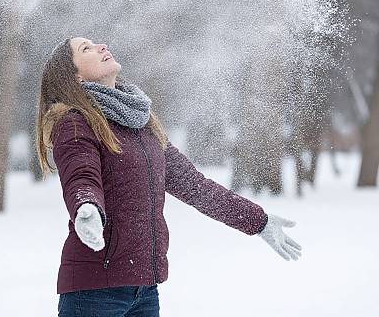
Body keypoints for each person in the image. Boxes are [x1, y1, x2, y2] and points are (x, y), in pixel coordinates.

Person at [37, 37, 302, 317]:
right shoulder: (75, 122)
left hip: (145, 291)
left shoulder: (141, 124)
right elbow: (81, 173)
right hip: (95, 293)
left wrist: (257, 220)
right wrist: (86, 206)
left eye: (96, 43)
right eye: (85, 49)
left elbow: (196, 186)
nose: (101, 47)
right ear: (75, 77)